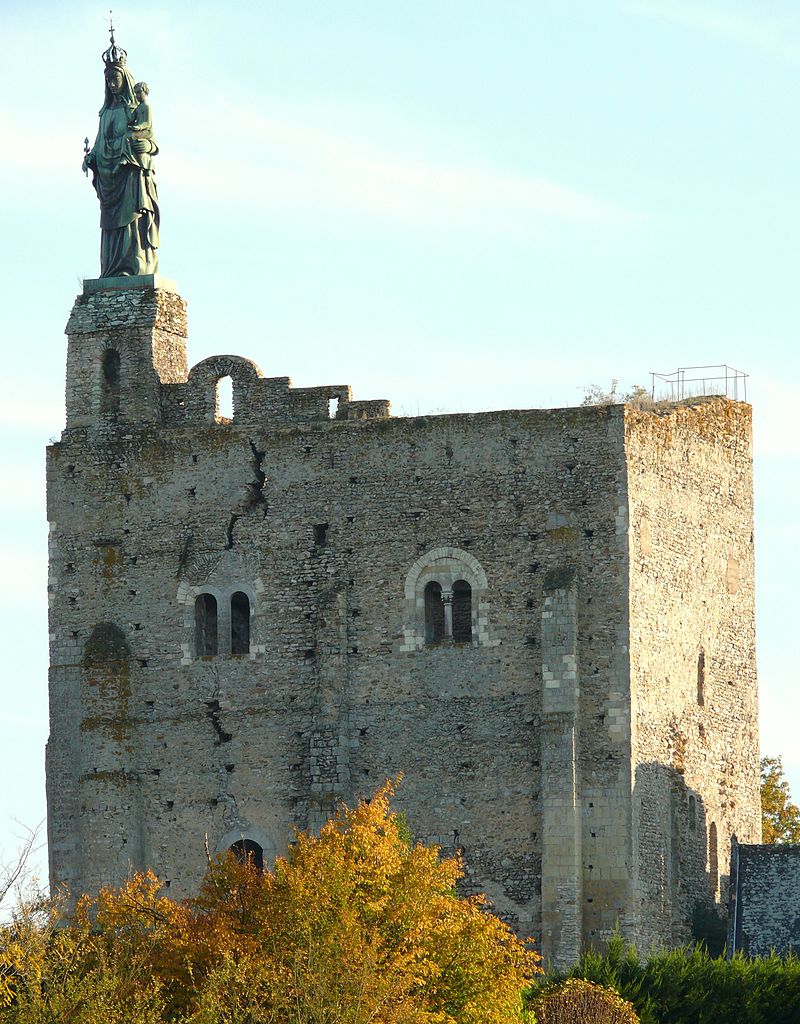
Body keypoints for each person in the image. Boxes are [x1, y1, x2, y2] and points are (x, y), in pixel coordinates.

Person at [83, 62, 160, 277]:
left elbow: (150, 139)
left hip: (130, 173)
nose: (111, 84)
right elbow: (100, 142)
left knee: (132, 220)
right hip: (109, 174)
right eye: (108, 81)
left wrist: (149, 146)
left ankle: (134, 266)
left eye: (115, 79)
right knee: (110, 225)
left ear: (124, 80)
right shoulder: (105, 113)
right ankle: (112, 269)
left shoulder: (136, 109)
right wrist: (92, 158)